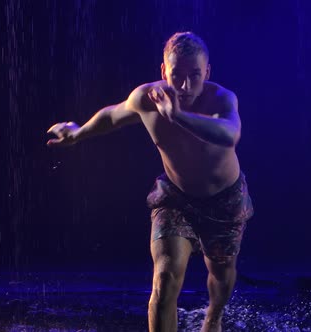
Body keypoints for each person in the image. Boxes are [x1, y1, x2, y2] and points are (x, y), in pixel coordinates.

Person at [46, 31, 254, 332]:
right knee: (165, 278)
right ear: (163, 71)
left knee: (221, 277)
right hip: (175, 198)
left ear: (207, 72)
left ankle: (214, 316)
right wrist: (78, 133)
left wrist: (177, 115)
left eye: (194, 75)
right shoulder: (147, 97)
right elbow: (113, 115)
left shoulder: (221, 98)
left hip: (225, 200)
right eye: (176, 75)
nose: (184, 85)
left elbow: (229, 134)